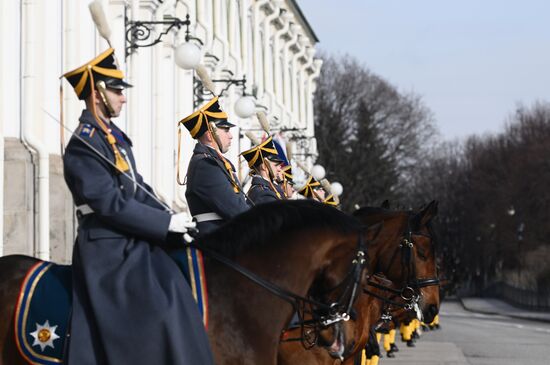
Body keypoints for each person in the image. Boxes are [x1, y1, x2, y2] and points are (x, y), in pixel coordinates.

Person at [62, 48, 213, 364]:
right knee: (159, 303)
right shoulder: (83, 144)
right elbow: (110, 204)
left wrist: (171, 219)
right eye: (117, 91)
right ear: (97, 93)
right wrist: (162, 225)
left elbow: (138, 188)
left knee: (176, 275)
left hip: (130, 237)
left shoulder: (113, 138)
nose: (123, 98)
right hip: (107, 245)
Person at [179, 97, 251, 234]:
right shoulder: (205, 165)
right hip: (216, 237)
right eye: (225, 130)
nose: (230, 136)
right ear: (209, 134)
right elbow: (234, 208)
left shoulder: (214, 161)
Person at [241, 136, 286, 204]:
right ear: (264, 166)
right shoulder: (263, 193)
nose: (280, 169)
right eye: (276, 165)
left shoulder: (269, 188)